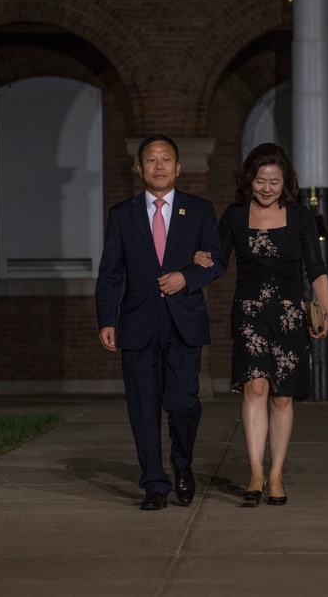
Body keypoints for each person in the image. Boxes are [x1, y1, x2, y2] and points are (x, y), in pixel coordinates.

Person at [196, 142, 328, 506]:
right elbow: (217, 262)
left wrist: (327, 312)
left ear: (285, 182)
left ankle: (276, 474)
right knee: (255, 387)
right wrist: (194, 259)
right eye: (260, 180)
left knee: (282, 395)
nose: (267, 188)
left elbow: (316, 270)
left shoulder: (301, 217)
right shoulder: (236, 216)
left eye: (274, 181)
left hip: (289, 314)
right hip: (249, 313)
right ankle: (256, 470)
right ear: (249, 180)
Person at [95, 134, 226, 510]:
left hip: (183, 322)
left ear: (178, 168)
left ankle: (182, 466)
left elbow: (216, 261)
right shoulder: (122, 214)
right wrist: (106, 318)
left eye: (165, 159)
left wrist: (187, 276)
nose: (158, 166)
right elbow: (110, 272)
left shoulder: (199, 210)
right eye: (150, 160)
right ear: (139, 169)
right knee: (143, 406)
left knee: (183, 402)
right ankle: (154, 483)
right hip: (137, 323)